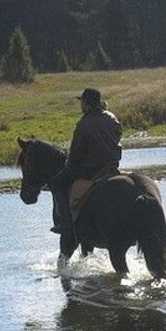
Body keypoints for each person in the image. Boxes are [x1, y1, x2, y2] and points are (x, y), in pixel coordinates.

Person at [49, 88, 122, 234]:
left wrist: (68, 164)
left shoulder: (84, 124)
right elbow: (118, 136)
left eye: (82, 102)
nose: (80, 105)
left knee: (55, 183)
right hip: (112, 165)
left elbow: (76, 154)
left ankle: (66, 221)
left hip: (90, 168)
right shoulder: (112, 117)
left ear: (87, 104)